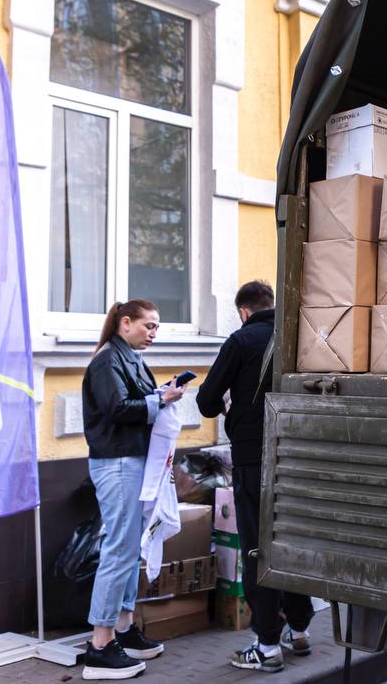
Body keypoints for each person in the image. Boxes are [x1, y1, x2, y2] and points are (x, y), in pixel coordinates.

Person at [198, 280, 315, 673]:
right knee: (291, 540)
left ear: (244, 310)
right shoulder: (297, 337)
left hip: (253, 457)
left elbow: (206, 400)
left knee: (257, 547)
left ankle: (266, 645)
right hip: (297, 455)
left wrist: (230, 407)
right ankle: (298, 630)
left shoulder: (241, 340)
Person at [81, 299, 185, 681]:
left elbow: (131, 402)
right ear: (125, 323)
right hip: (118, 461)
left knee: (128, 547)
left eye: (157, 328)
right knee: (120, 548)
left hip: (131, 460)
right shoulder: (108, 360)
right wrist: (161, 399)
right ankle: (99, 645)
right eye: (149, 326)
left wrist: (161, 393)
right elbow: (118, 409)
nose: (154, 334)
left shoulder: (128, 357)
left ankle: (122, 630)